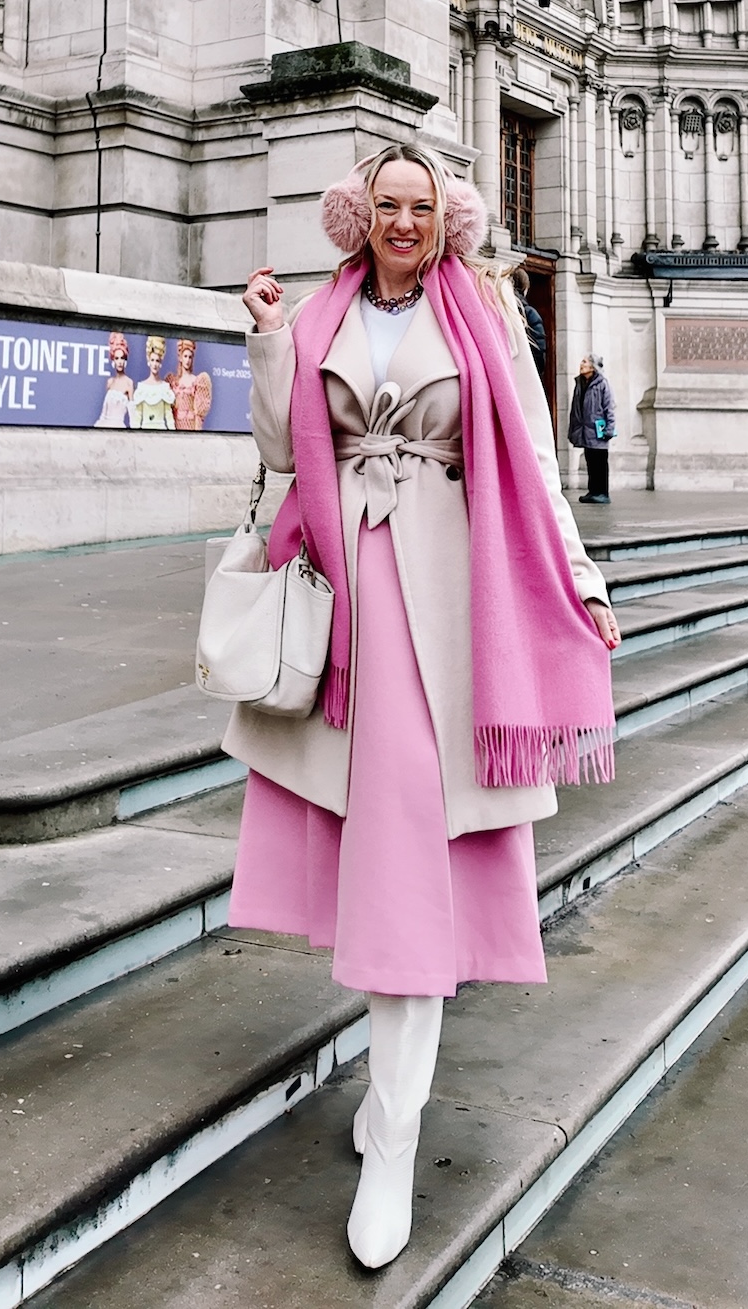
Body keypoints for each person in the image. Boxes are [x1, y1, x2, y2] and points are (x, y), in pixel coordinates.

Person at [232, 143, 618, 1270]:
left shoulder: (486, 315)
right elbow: (276, 450)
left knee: (408, 880)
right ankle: (383, 1108)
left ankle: (393, 1135)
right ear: (358, 217)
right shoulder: (315, 314)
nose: (405, 222)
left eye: (423, 206)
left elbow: (538, 461)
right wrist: (264, 337)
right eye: (386, 205)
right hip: (345, 601)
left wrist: (585, 582)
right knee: (379, 871)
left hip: (453, 615)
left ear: (448, 219)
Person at [568, 353, 616, 503]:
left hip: (598, 430)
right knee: (590, 460)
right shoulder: (580, 383)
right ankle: (593, 491)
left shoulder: (602, 384)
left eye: (584, 362)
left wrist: (609, 429)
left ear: (592, 366)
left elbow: (609, 408)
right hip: (585, 430)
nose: (581, 365)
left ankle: (603, 493)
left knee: (600, 461)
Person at [131, 334, 176, 429]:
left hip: (161, 433)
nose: (155, 364)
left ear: (160, 363)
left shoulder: (165, 388)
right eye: (152, 360)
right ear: (148, 361)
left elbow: (169, 417)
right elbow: (137, 418)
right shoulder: (142, 387)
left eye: (157, 361)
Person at [167, 338, 212, 431]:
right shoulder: (174, 382)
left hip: (191, 426)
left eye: (190, 357)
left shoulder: (196, 381)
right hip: (176, 425)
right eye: (185, 356)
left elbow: (198, 413)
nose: (187, 360)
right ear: (180, 358)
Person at [93, 332, 135, 427]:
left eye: (122, 358)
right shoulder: (110, 382)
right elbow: (104, 413)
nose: (119, 362)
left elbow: (132, 415)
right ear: (113, 360)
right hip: (104, 425)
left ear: (125, 360)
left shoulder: (129, 383)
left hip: (118, 427)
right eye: (117, 358)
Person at [510, 264, 547, 373]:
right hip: (525, 370)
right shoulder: (529, 313)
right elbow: (539, 351)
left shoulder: (498, 307)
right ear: (525, 288)